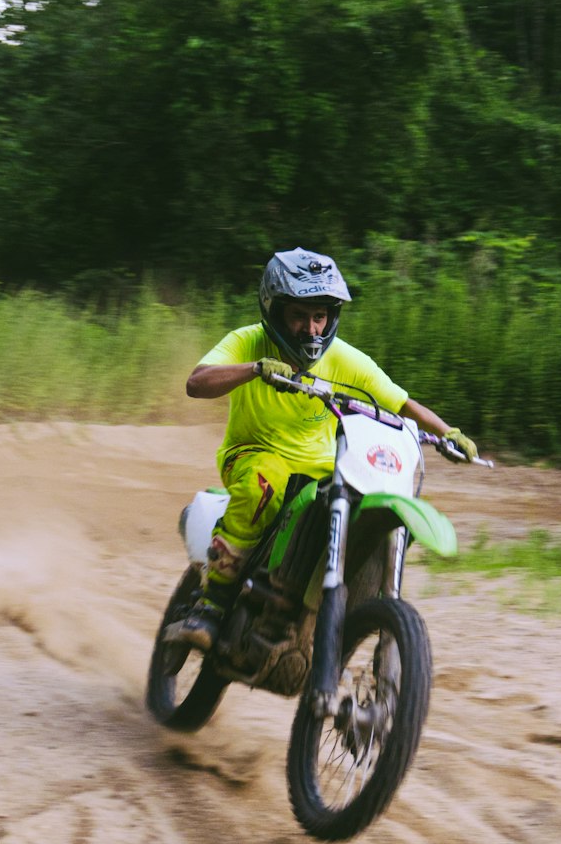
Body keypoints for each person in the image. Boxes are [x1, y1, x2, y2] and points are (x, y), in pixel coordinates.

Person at [172, 246, 478, 650]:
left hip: (322, 469)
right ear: (275, 309)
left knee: (370, 506)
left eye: (320, 317)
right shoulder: (247, 342)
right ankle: (211, 605)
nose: (311, 329)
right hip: (252, 453)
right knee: (265, 485)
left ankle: (322, 609)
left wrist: (447, 432)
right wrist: (256, 369)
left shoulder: (344, 358)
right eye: (299, 316)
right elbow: (197, 383)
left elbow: (400, 402)